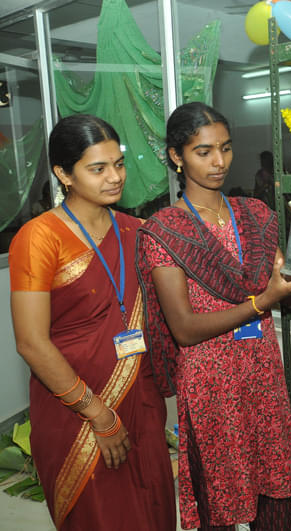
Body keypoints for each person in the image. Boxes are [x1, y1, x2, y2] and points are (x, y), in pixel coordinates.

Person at [135, 102, 291, 531]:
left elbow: (287, 286)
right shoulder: (166, 230)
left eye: (225, 148)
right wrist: (263, 302)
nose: (218, 162)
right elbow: (183, 329)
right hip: (209, 383)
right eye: (203, 152)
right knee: (220, 499)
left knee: (271, 487)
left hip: (261, 370)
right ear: (176, 157)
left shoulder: (253, 215)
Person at [9, 114, 175, 530]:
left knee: (152, 513)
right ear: (63, 174)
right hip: (76, 411)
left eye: (118, 164)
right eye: (97, 169)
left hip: (140, 400)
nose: (114, 177)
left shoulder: (137, 231)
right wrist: (98, 416)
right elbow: (31, 343)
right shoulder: (39, 237)